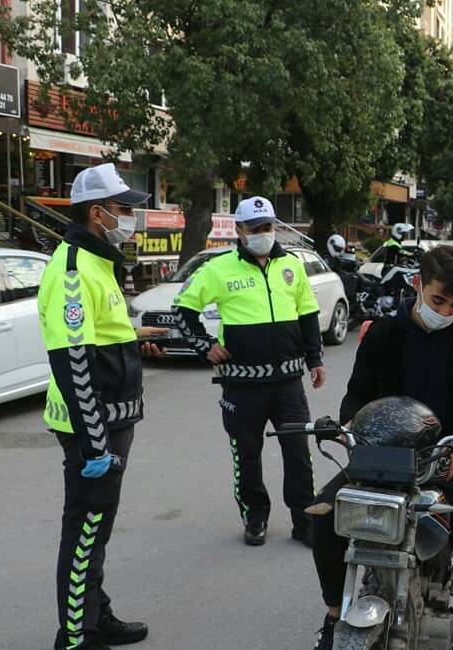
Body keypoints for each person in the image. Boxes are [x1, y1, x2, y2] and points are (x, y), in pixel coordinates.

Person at [310, 245, 453, 650]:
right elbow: (357, 394)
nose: (446, 312)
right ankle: (333, 612)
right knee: (324, 518)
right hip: (382, 465)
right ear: (418, 284)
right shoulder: (383, 334)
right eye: (439, 300)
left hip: (451, 469)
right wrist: (348, 425)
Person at [38, 162, 164, 650]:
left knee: (98, 528)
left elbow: (100, 338)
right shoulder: (72, 270)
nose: (129, 217)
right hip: (92, 429)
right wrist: (94, 446)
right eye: (122, 208)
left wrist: (132, 339)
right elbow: (74, 364)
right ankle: (76, 635)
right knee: (86, 529)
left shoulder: (98, 261)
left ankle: (95, 612)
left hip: (112, 420)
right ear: (97, 213)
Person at [173, 196, 326, 547]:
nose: (262, 233)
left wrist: (315, 360)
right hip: (243, 385)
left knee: (299, 455)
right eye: (254, 228)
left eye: (267, 226)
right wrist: (204, 345)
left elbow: (308, 315)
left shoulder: (292, 265)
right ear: (239, 231)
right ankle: (255, 517)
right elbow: (182, 308)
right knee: (247, 455)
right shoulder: (218, 268)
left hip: (289, 383)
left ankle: (304, 520)